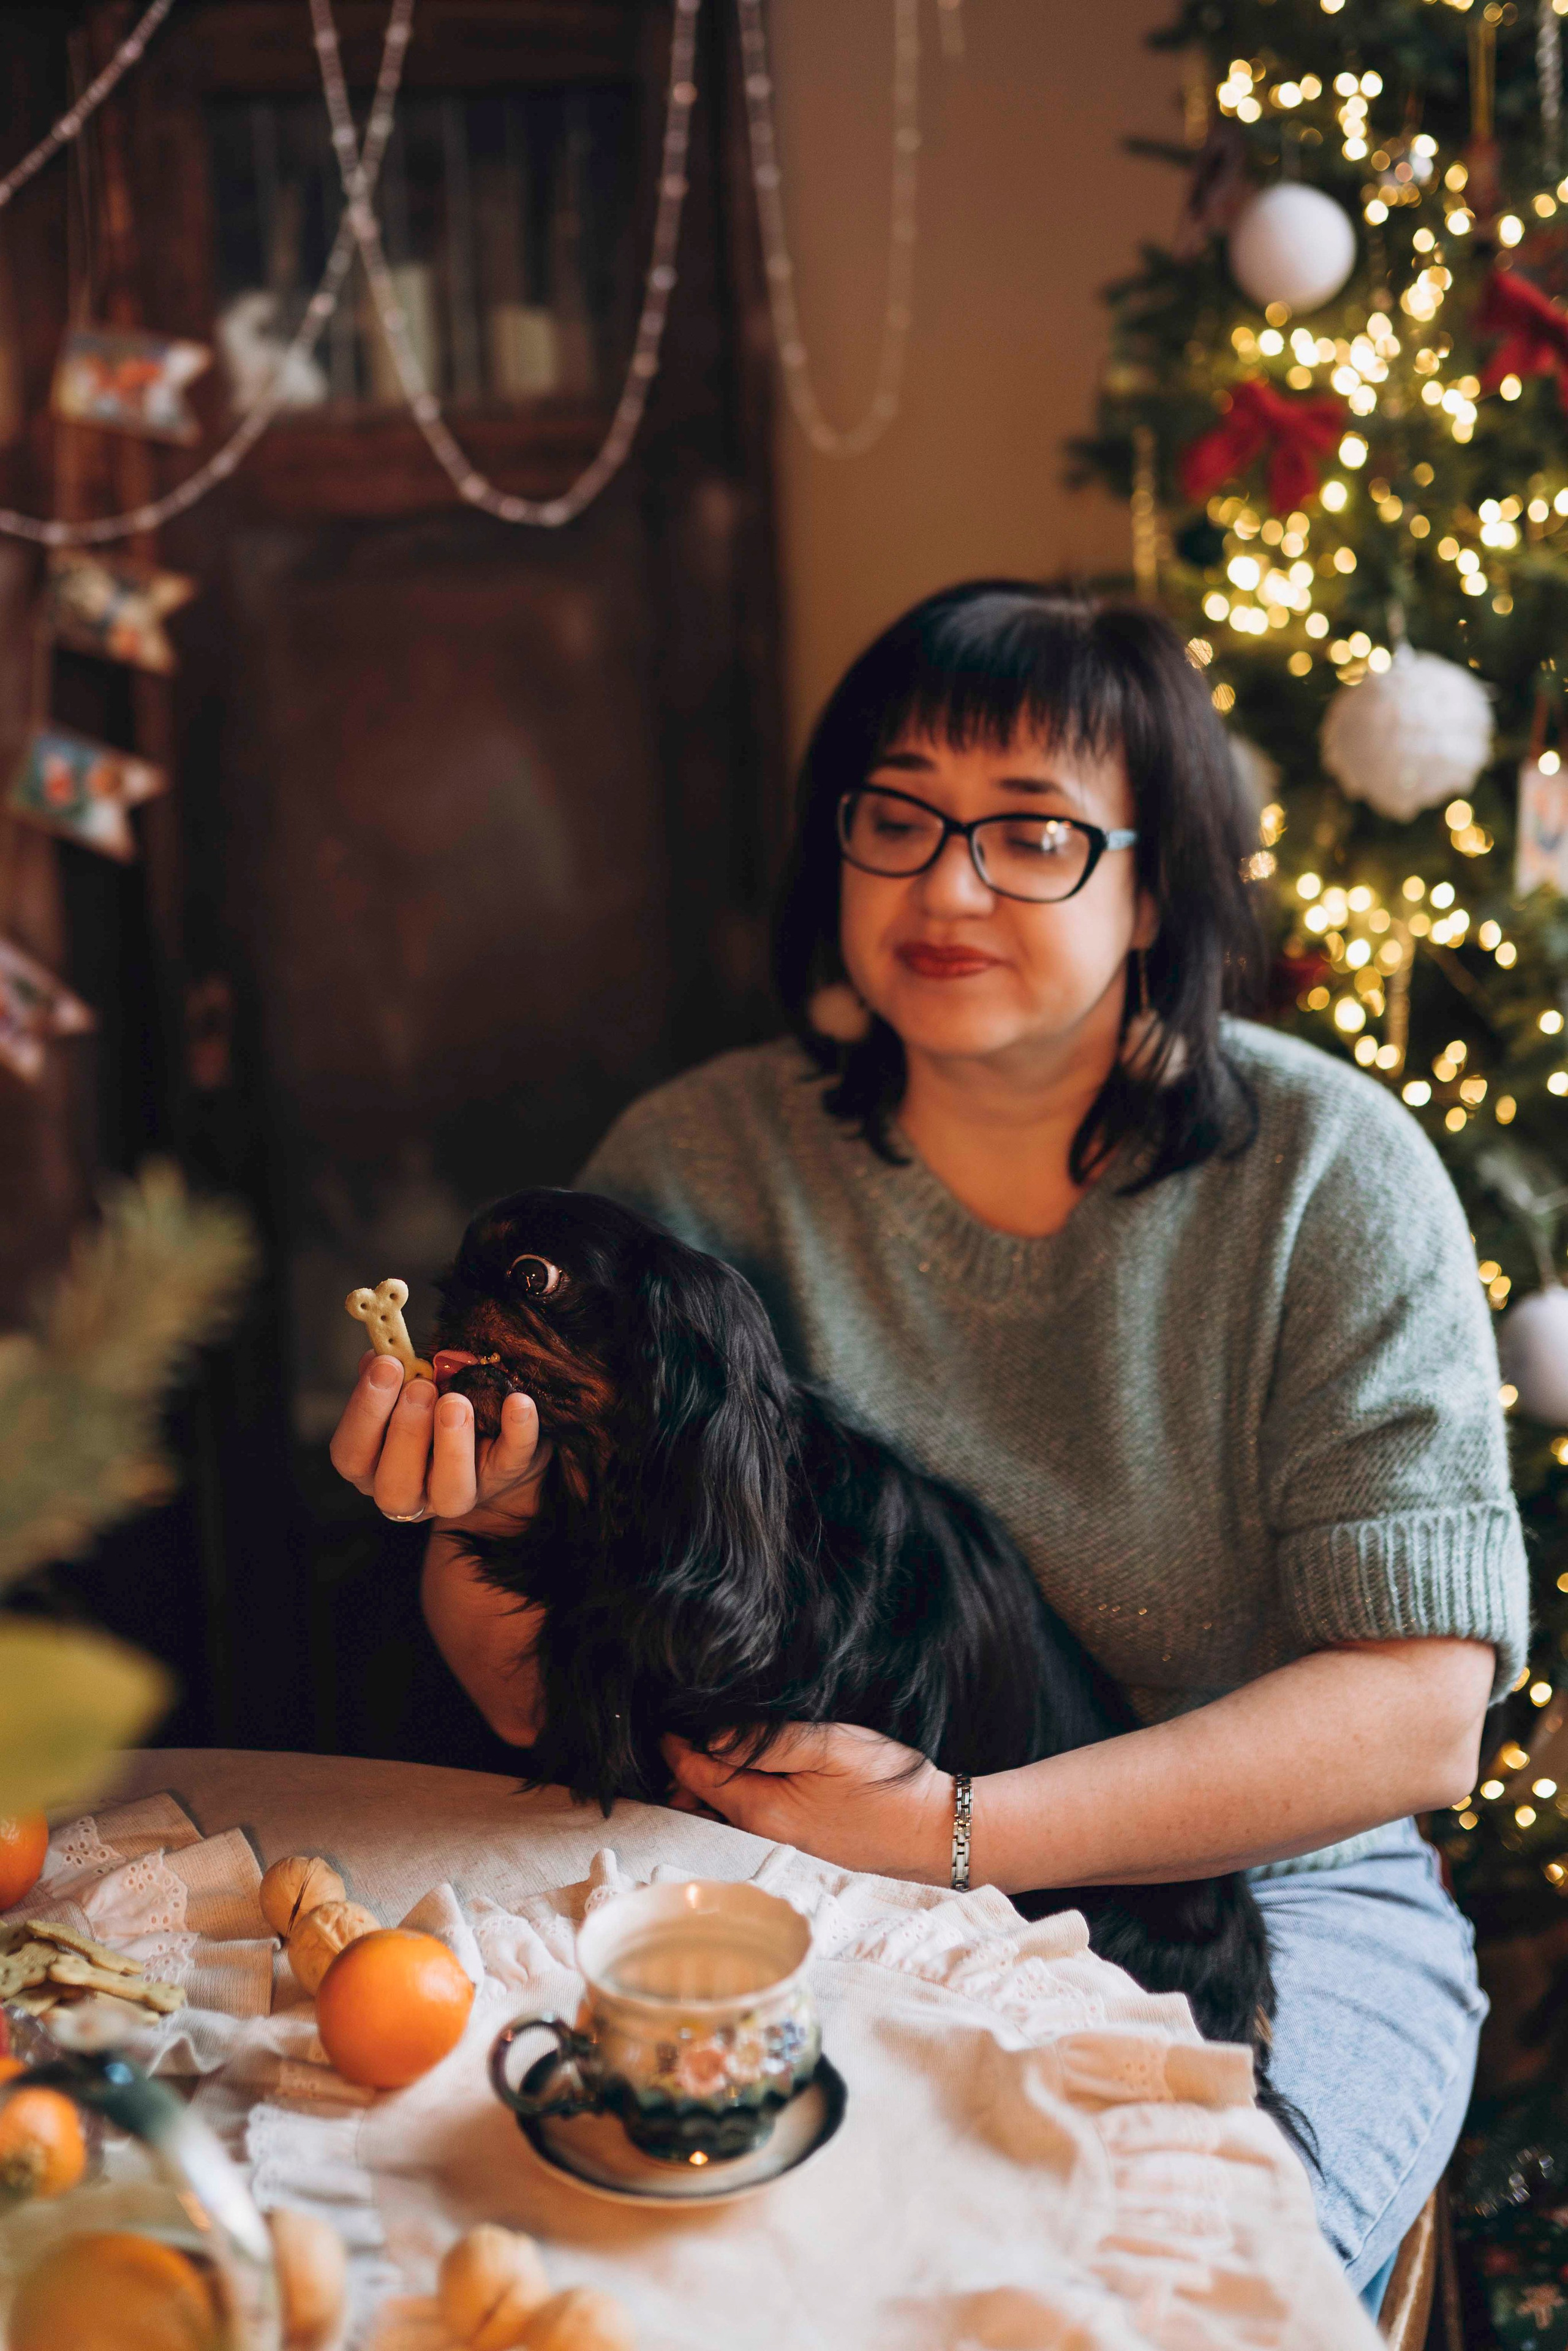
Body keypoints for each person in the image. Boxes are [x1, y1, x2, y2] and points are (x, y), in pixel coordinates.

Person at [330, 584, 1526, 2308]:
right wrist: (486, 1520)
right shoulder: (695, 1168)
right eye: (898, 817)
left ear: (1159, 882)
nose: (946, 883)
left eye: (1032, 832)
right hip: (774, 1864)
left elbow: (1420, 1713)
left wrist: (967, 1831)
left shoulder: (1331, 1180)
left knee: (1133, 2296)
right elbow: (537, 1690)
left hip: (1264, 1900)